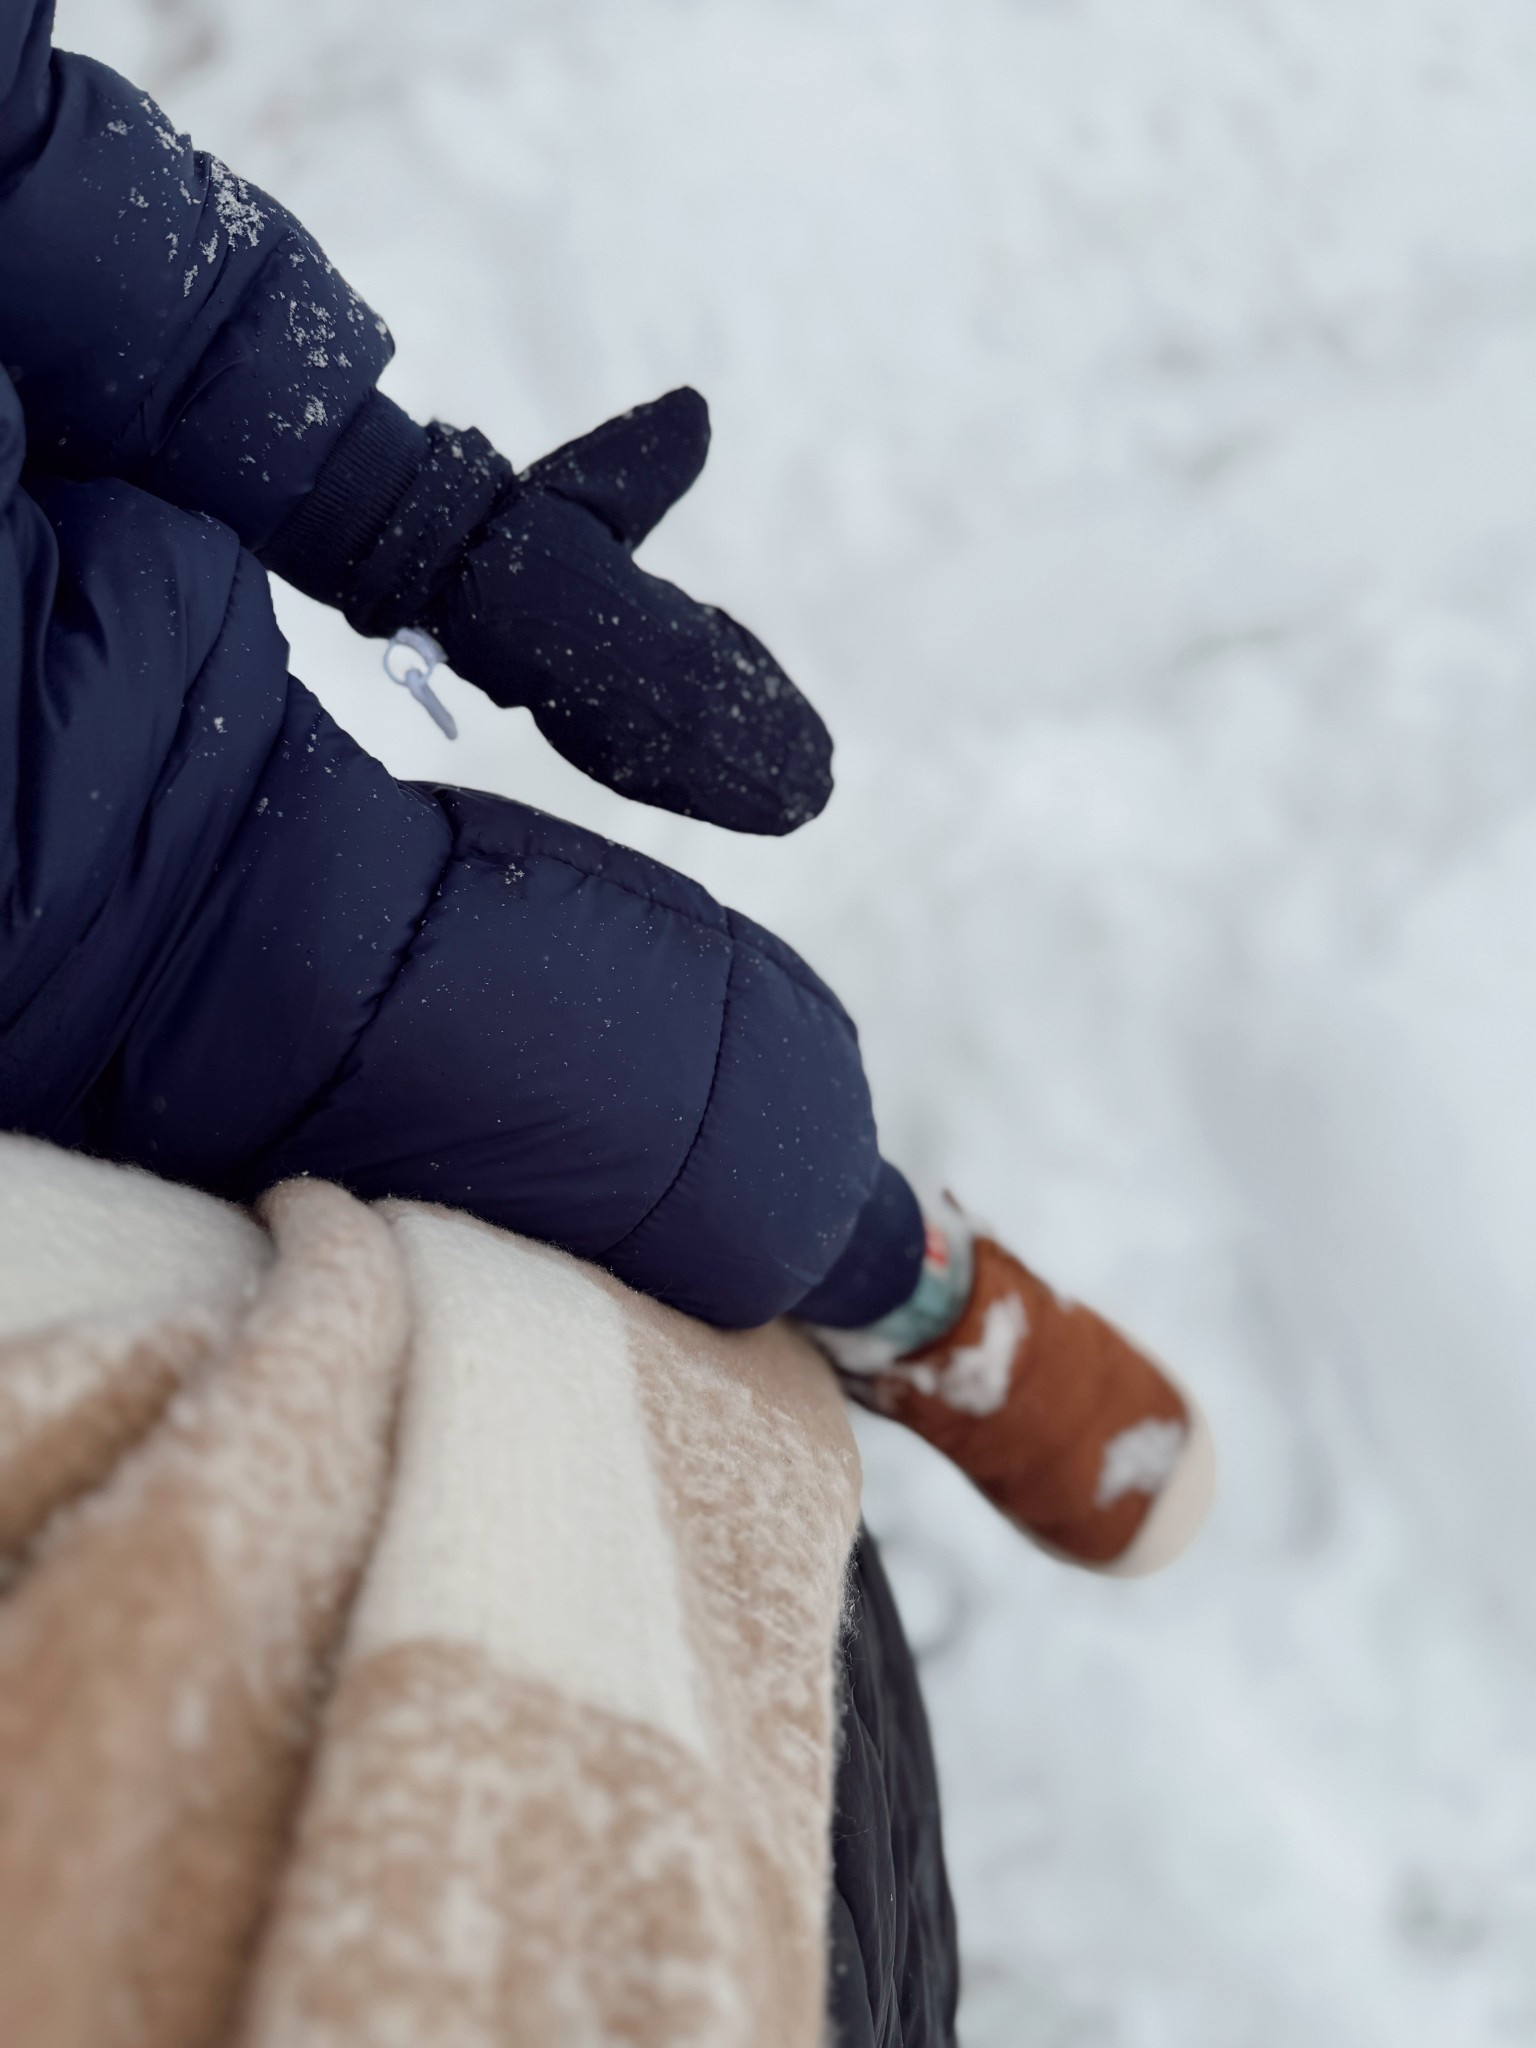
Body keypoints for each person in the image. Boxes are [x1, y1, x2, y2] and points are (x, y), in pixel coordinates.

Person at [0, 7, 1211, 1582]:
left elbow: (52, 199)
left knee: (723, 1126)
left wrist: (422, 523)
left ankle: (909, 1290)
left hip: (151, 865)